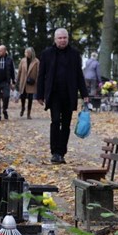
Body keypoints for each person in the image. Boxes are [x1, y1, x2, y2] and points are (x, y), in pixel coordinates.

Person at [37, 28, 89, 164]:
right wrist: (40, 94)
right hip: (53, 94)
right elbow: (41, 75)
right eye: (59, 38)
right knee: (55, 121)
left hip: (69, 93)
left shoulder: (74, 54)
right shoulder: (47, 54)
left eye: (64, 38)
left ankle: (61, 152)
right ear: (55, 39)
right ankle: (54, 152)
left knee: (66, 124)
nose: (62, 40)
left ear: (68, 38)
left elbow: (79, 75)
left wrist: (84, 94)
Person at [16, 47, 39, 119]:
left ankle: (29, 113)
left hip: (31, 82)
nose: (26, 54)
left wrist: (37, 81)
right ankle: (23, 108)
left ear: (31, 53)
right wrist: (17, 80)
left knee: (30, 98)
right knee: (22, 96)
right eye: (25, 52)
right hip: (23, 82)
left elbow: (38, 72)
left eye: (27, 53)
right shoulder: (23, 60)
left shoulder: (36, 61)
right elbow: (19, 71)